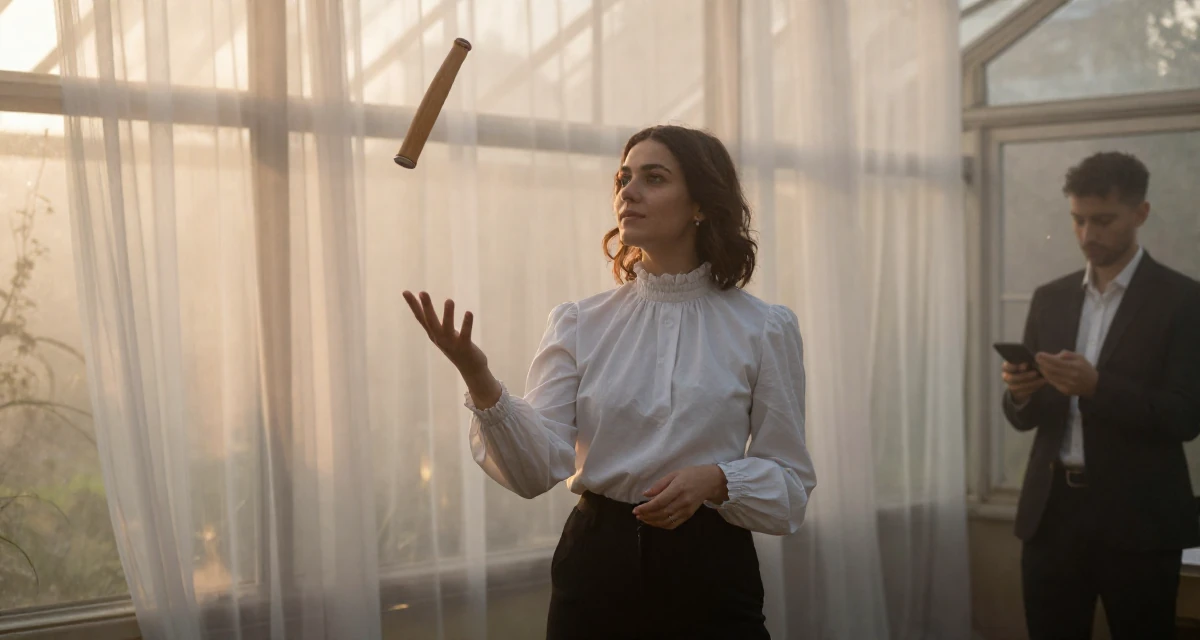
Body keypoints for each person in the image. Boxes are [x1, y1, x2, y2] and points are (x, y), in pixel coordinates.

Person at [403, 125, 816, 639]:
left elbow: (790, 488)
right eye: (623, 179)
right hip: (595, 568)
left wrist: (717, 479)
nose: (628, 192)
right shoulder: (580, 322)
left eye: (653, 178)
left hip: (710, 571)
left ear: (701, 204)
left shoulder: (764, 328)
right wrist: (477, 374)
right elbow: (534, 472)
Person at [1000, 151, 1200, 640]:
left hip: (1140, 523)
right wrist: (1020, 393)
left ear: (1140, 213)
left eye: (1104, 220)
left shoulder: (1184, 301)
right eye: (1078, 219)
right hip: (1051, 518)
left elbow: (1185, 416)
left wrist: (1097, 387)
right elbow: (1025, 417)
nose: (1088, 234)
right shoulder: (1050, 297)